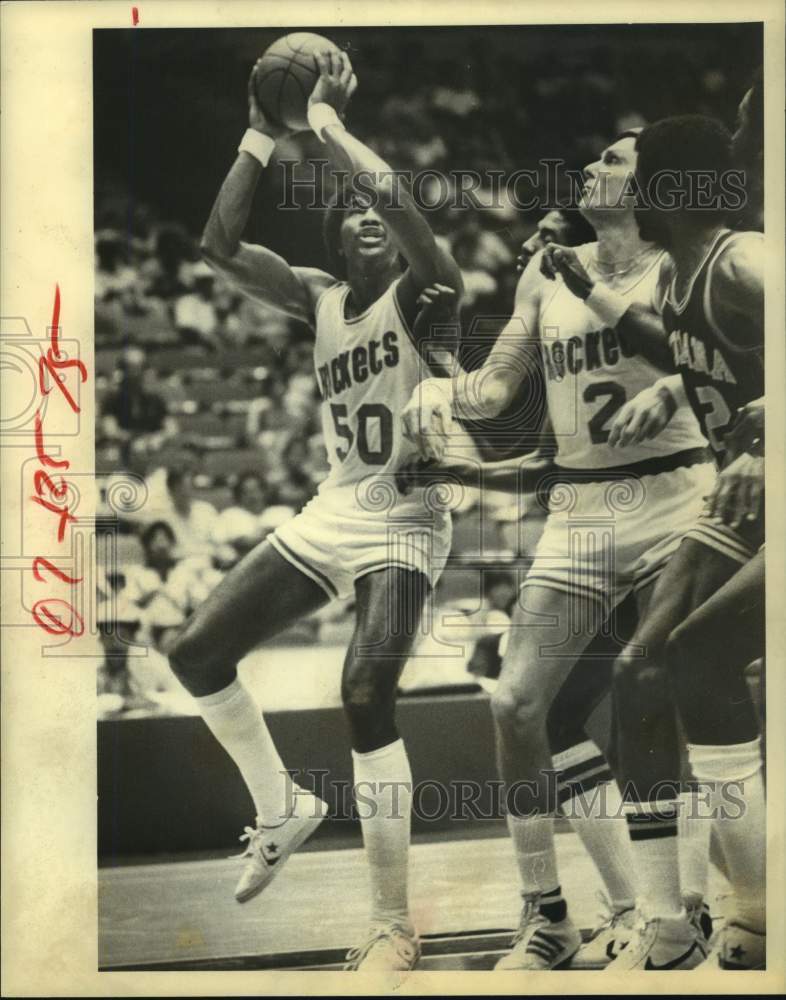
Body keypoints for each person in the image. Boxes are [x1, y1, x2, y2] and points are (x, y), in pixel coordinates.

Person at [167, 50, 462, 972]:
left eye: (379, 214)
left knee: (366, 693)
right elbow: (218, 249)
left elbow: (403, 205)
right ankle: (281, 806)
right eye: (354, 214)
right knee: (194, 654)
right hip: (334, 508)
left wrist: (326, 123)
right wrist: (260, 134)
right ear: (336, 240)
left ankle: (391, 924)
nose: (372, 217)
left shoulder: (426, 291)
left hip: (407, 517)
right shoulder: (319, 298)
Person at [401, 129, 716, 970]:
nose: (591, 169)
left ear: (650, 185)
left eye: (613, 161)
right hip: (581, 510)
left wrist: (674, 385)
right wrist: (437, 380)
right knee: (516, 703)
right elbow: (497, 389)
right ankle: (547, 914)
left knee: (656, 696)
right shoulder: (545, 271)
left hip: (676, 493)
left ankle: (683, 912)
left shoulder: (678, 264)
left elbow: (711, 359)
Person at [570, 113, 764, 970]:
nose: (626, 188)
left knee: (702, 652)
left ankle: (758, 908)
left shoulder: (745, 259)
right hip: (745, 504)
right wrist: (669, 386)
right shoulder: (681, 281)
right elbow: (678, 343)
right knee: (640, 668)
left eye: (636, 171)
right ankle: (671, 923)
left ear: (669, 187)